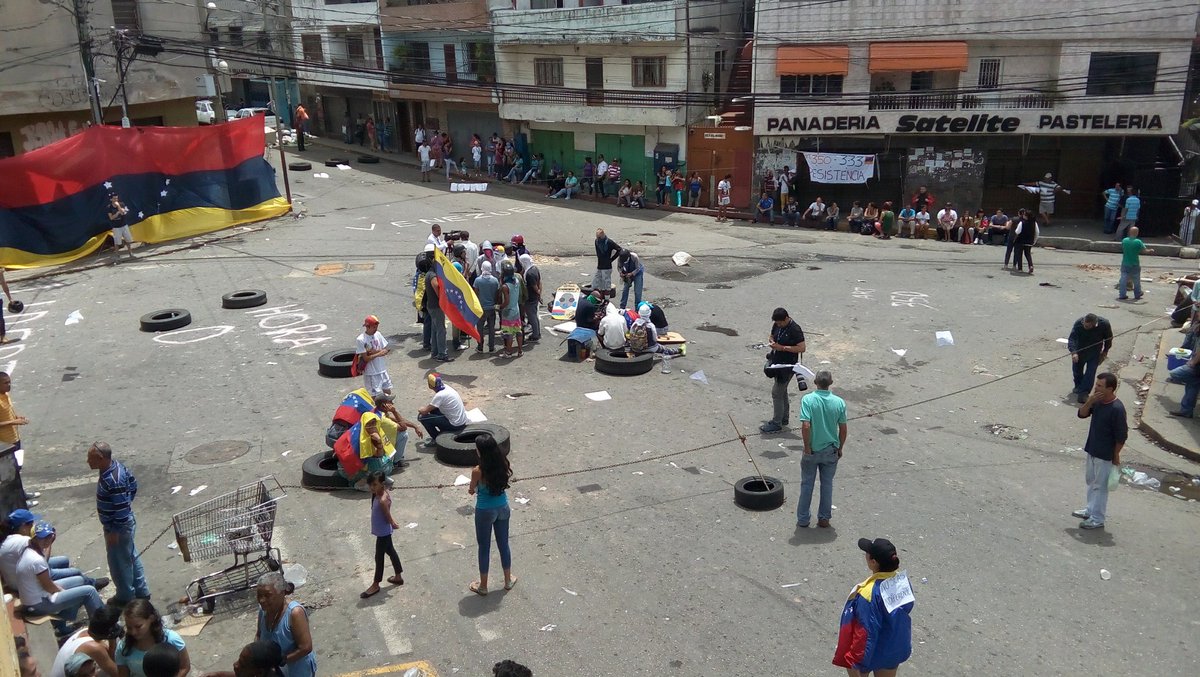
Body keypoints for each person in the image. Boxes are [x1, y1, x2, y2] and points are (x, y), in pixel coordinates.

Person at [832, 538, 914, 676]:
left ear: (873, 562)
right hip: (896, 646)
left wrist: (854, 659)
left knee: (852, 667)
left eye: (867, 553)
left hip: (873, 652)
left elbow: (865, 630)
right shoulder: (902, 581)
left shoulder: (868, 593)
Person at [14, 522, 105, 639]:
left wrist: (50, 541)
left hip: (37, 595)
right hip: (38, 604)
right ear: (34, 538)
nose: (46, 540)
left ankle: (63, 624)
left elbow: (46, 579)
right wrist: (63, 591)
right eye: (42, 537)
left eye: (48, 536)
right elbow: (49, 587)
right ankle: (102, 628)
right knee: (89, 591)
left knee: (79, 580)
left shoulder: (31, 548)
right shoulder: (35, 560)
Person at [87, 442, 150, 606]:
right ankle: (141, 590)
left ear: (101, 458)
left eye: (91, 458)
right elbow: (133, 485)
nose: (88, 462)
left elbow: (121, 510)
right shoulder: (114, 468)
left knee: (118, 563)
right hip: (123, 524)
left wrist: (114, 531)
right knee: (130, 556)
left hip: (118, 528)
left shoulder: (113, 479)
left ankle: (125, 596)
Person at [1074, 373, 1127, 530]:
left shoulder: (1117, 409)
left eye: (1099, 386)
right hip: (1092, 448)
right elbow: (1081, 414)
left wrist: (1115, 455)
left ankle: (1098, 518)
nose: (1095, 388)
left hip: (1105, 455)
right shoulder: (1097, 402)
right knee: (1091, 481)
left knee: (1100, 487)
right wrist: (1089, 401)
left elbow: (1121, 436)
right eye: (1096, 385)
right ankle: (1090, 510)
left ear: (1110, 389)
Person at [2, 509, 107, 587]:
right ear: (23, 527)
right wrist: (49, 541)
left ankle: (72, 585)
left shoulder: (10, 539)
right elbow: (43, 562)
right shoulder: (23, 542)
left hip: (21, 577)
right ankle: (91, 584)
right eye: (31, 524)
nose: (33, 525)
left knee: (63, 560)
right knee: (76, 572)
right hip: (29, 582)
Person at [797, 371, 847, 528]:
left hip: (812, 449)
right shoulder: (839, 402)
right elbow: (843, 428)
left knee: (807, 485)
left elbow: (806, 425)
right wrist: (840, 447)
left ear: (815, 382)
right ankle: (824, 518)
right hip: (830, 449)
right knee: (827, 485)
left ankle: (803, 519)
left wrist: (807, 447)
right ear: (831, 382)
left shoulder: (808, 399)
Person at [467, 433, 515, 596]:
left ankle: (483, 586)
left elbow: (472, 489)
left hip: (485, 511)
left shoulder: (477, 471)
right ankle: (508, 580)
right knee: (504, 544)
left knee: (484, 548)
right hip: (503, 507)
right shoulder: (502, 463)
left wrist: (472, 488)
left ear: (480, 451)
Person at [255, 573, 315, 677]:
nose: (262, 600)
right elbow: (259, 634)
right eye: (259, 595)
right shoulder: (263, 610)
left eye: (267, 595)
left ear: (281, 593)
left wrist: (282, 660)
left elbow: (306, 647)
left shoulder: (294, 613)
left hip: (296, 672)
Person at [114, 600, 189, 677]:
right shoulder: (123, 647)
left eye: (138, 626)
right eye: (129, 627)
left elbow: (184, 667)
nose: (133, 632)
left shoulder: (171, 639)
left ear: (151, 618)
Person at [358, 471, 403, 599]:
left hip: (383, 533)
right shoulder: (376, 494)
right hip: (383, 531)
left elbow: (388, 515)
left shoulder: (382, 499)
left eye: (374, 485)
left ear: (382, 484)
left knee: (379, 557)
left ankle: (376, 584)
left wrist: (393, 523)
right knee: (391, 552)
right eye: (370, 485)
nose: (372, 488)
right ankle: (398, 576)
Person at [760, 308, 806, 433]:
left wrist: (782, 348)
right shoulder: (777, 324)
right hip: (776, 362)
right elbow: (772, 335)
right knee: (782, 391)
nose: (778, 325)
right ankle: (784, 418)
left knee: (776, 392)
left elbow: (802, 348)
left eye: (780, 323)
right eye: (777, 323)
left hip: (788, 365)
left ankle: (776, 423)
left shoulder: (795, 329)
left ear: (786, 318)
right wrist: (772, 341)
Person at [50, 607, 122, 677]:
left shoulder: (85, 632)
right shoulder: (94, 648)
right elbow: (117, 673)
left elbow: (107, 655)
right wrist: (112, 640)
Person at [0, 371, 37, 505]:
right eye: (5, 383)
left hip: (15, 439)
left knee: (17, 470)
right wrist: (13, 422)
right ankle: (19, 501)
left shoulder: (6, 396)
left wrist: (17, 418)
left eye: (9, 382)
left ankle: (23, 495)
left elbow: (8, 413)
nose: (9, 385)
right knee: (12, 475)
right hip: (5, 445)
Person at [1067, 313, 1113, 405]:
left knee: (1090, 373)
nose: (1085, 326)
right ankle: (1079, 386)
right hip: (1080, 351)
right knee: (1077, 371)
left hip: (1094, 352)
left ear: (1094, 324)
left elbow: (1108, 339)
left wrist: (1105, 352)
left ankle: (1084, 393)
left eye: (1088, 326)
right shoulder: (1078, 324)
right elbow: (1072, 339)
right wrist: (1074, 352)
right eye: (1084, 324)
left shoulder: (1104, 324)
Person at [417, 373, 468, 442]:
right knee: (433, 410)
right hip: (462, 421)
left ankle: (436, 439)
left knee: (423, 418)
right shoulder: (447, 387)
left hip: (455, 425)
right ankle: (444, 429)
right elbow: (433, 406)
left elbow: (424, 411)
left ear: (430, 386)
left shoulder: (440, 395)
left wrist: (420, 409)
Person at [203, 641, 285, 677]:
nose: (235, 665)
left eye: (242, 665)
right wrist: (218, 675)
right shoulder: (264, 672)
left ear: (260, 672)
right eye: (239, 660)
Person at [354, 315, 391, 396]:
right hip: (371, 372)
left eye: (376, 327)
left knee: (387, 391)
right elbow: (366, 358)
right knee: (374, 396)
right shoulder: (361, 339)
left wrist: (376, 351)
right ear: (367, 327)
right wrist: (379, 354)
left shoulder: (378, 334)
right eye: (374, 327)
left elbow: (384, 348)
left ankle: (387, 407)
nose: (376, 329)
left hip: (382, 369)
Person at [496, 261, 525, 358]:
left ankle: (508, 352)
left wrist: (499, 307)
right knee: (518, 331)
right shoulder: (516, 281)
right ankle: (520, 351)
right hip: (516, 309)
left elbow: (506, 301)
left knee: (508, 333)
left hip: (508, 312)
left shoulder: (505, 286)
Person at [1118, 226, 1153, 301]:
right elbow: (1144, 251)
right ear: (1137, 233)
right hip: (1135, 264)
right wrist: (1150, 251)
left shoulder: (1124, 240)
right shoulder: (1138, 242)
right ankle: (1137, 294)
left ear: (1129, 232)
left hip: (1125, 263)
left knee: (1123, 279)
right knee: (1136, 280)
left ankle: (1122, 294)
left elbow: (1123, 248)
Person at [472, 261, 499, 352]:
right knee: (491, 329)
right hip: (491, 308)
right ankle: (491, 347)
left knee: (480, 328)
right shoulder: (495, 280)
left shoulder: (478, 280)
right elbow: (497, 294)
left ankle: (480, 346)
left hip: (481, 308)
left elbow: (475, 294)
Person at [520, 254, 541, 343]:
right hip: (535, 297)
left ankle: (535, 335)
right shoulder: (534, 268)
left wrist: (537, 292)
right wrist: (539, 294)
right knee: (534, 315)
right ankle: (537, 332)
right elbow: (540, 282)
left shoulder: (529, 274)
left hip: (530, 298)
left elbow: (534, 286)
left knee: (532, 316)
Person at [107, 194, 135, 261]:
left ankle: (130, 253)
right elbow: (111, 218)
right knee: (117, 242)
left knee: (128, 240)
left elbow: (123, 213)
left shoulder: (121, 204)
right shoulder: (109, 207)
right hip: (116, 227)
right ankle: (117, 255)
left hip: (124, 225)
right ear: (111, 199)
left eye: (117, 198)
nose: (116, 200)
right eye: (114, 199)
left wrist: (118, 206)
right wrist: (117, 213)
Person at [592, 229, 621, 295]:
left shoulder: (609, 242)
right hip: (600, 266)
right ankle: (599, 297)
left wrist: (611, 259)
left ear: (603, 236)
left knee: (606, 284)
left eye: (599, 237)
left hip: (607, 267)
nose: (598, 239)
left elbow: (619, 249)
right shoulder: (596, 241)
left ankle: (606, 299)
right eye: (597, 237)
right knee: (596, 283)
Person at [1011, 208, 1038, 273]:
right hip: (1029, 241)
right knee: (1028, 254)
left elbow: (1017, 232)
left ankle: (1020, 269)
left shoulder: (1022, 223)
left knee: (1019, 254)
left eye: (1024, 215)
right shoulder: (1034, 223)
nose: (1023, 216)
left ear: (1026, 216)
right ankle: (1030, 266)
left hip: (1021, 241)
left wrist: (1014, 238)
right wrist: (1034, 240)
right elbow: (1037, 232)